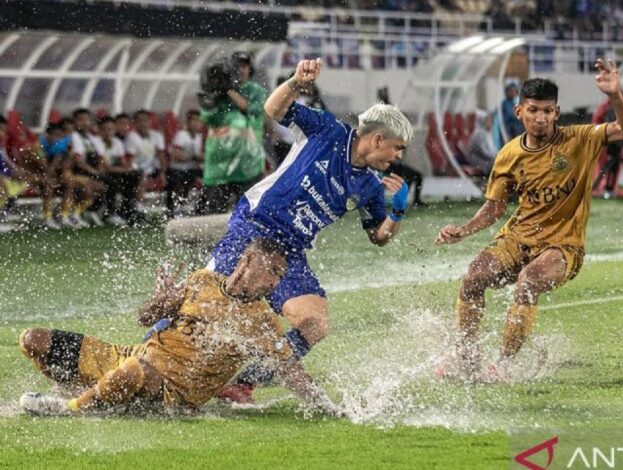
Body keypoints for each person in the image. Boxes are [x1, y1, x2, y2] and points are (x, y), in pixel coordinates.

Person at [210, 57, 413, 403]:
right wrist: (295, 82)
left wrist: (396, 211)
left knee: (315, 324)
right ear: (378, 139)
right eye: (397, 149)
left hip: (290, 252)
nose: (396, 158)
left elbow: (378, 237)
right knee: (209, 301)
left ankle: (243, 383)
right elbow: (274, 110)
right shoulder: (328, 130)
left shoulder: (369, 185)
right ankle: (150, 356)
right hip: (254, 227)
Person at [434, 59, 623, 382]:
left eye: (547, 111)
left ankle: (502, 365)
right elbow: (494, 208)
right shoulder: (509, 155)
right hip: (517, 239)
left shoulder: (580, 139)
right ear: (519, 113)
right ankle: (466, 356)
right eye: (533, 110)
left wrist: (615, 96)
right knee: (473, 277)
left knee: (528, 281)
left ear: (556, 113)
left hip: (563, 246)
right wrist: (464, 229)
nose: (540, 118)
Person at [18, 239, 339, 416]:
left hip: (173, 392)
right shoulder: (202, 280)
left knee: (133, 371)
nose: (274, 281)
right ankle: (87, 392)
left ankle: (67, 408)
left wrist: (326, 406)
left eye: (278, 276)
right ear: (246, 261)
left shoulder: (262, 320)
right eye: (272, 271)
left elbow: (289, 369)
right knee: (33, 339)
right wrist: (158, 303)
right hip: (131, 357)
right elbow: (145, 319)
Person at [198, 51, 267, 215]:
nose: (240, 70)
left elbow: (252, 109)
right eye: (236, 66)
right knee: (212, 215)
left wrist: (229, 91)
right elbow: (207, 116)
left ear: (250, 69)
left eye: (244, 65)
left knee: (251, 215)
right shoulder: (217, 93)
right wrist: (215, 94)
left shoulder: (255, 90)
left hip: (248, 166)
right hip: (218, 168)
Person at [92, 116, 142, 225]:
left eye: (111, 129)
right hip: (97, 173)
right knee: (113, 181)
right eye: (105, 129)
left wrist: (126, 170)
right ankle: (111, 213)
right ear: (99, 130)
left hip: (112, 172)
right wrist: (124, 170)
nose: (108, 132)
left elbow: (123, 163)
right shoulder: (96, 142)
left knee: (135, 175)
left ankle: (127, 209)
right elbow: (104, 167)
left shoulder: (117, 142)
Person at [125, 109, 166, 215]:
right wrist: (140, 171)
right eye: (140, 121)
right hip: (137, 169)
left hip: (153, 168)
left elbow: (161, 155)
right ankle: (139, 205)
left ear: (150, 122)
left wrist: (163, 173)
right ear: (135, 123)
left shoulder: (157, 135)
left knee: (176, 175)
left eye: (146, 120)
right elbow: (130, 160)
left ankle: (173, 205)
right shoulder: (132, 137)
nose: (144, 124)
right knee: (141, 176)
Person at [166, 110, 204, 218]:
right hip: (178, 169)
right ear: (188, 122)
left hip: (192, 169)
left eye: (199, 121)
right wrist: (194, 157)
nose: (197, 123)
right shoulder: (181, 135)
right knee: (181, 182)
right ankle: (175, 208)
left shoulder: (198, 137)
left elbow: (199, 156)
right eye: (194, 120)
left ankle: (200, 209)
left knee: (210, 182)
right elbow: (176, 155)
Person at [464, 109, 497, 176]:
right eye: (488, 120)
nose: (491, 122)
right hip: (477, 160)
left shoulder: (486, 133)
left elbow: (491, 149)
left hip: (483, 159)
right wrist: (495, 156)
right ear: (483, 121)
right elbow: (483, 151)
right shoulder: (479, 133)